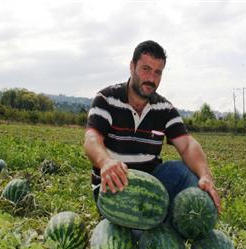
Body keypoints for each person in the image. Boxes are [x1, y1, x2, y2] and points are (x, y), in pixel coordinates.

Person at [84, 40, 221, 213]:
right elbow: (91, 139)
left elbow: (187, 145)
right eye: (146, 69)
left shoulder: (164, 108)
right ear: (132, 66)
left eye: (158, 72)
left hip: (150, 186)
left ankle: (196, 220)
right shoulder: (106, 99)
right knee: (141, 232)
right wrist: (105, 161)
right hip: (112, 188)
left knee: (181, 171)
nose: (151, 78)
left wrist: (205, 175)